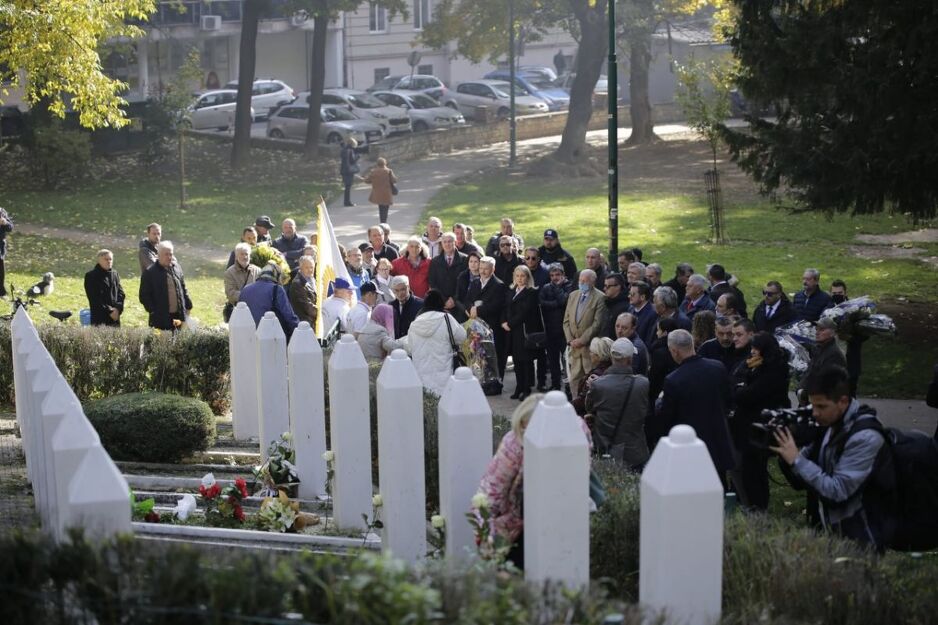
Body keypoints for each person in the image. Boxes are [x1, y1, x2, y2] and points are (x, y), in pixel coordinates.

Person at [771, 366, 893, 550]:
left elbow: (837, 492)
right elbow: (800, 480)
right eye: (813, 406)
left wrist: (796, 460)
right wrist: (786, 455)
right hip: (832, 529)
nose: (815, 413)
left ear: (843, 402)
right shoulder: (829, 423)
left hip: (862, 537)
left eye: (822, 406)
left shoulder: (865, 437)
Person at [476, 393, 592, 570]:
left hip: (561, 522)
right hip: (520, 527)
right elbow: (491, 490)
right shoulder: (514, 444)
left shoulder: (577, 432)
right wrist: (486, 533)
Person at [656, 329, 736, 484]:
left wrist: (659, 403)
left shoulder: (673, 380)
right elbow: (728, 400)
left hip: (690, 448)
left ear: (675, 351)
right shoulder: (717, 367)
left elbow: (666, 418)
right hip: (718, 441)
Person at [730, 332, 791, 511]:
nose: (753, 352)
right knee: (748, 469)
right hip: (748, 426)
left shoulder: (774, 371)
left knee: (755, 471)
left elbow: (747, 395)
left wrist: (740, 387)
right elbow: (738, 379)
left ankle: (757, 507)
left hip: (758, 428)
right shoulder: (756, 366)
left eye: (756, 348)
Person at [586, 337, 650, 470]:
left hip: (607, 449)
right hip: (635, 453)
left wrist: (595, 385)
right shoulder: (643, 384)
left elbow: (589, 408)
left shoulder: (598, 385)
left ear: (611, 357)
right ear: (630, 359)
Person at [404, 289, 467, 396]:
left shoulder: (415, 323)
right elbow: (462, 336)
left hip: (421, 375)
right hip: (445, 374)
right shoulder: (447, 319)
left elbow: (409, 348)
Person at [502, 265, 543, 401]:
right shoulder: (511, 291)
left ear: (527, 277)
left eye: (523, 276)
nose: (520, 279)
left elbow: (524, 313)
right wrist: (504, 322)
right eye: (517, 276)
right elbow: (506, 307)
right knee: (516, 360)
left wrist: (510, 323)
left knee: (526, 360)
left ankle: (526, 388)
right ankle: (519, 386)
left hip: (523, 330)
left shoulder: (531, 293)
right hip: (511, 332)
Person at [563, 269, 607, 394]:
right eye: (580, 280)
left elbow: (597, 323)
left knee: (589, 384)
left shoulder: (600, 297)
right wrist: (570, 340)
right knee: (574, 382)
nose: (581, 283)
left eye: (585, 281)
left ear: (593, 282)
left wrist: (582, 341)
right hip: (574, 350)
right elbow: (566, 321)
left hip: (589, 350)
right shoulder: (573, 295)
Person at [466, 256, 508, 377]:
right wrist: (470, 309)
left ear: (493, 269)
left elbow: (496, 305)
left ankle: (496, 382)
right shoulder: (475, 283)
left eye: (486, 269)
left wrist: (478, 310)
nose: (483, 271)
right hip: (475, 326)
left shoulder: (499, 285)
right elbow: (467, 300)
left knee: (493, 356)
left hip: (491, 326)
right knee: (479, 355)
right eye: (481, 268)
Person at [139, 241, 192, 331]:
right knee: (161, 344)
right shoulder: (150, 273)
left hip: (178, 317)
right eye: (166, 254)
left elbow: (183, 288)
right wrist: (153, 311)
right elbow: (144, 295)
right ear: (158, 255)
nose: (169, 257)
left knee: (177, 342)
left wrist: (188, 305)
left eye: (171, 254)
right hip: (160, 320)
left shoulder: (177, 268)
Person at [238, 261, 299, 339]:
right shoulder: (276, 289)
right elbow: (288, 315)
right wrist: (300, 331)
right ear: (276, 275)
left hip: (247, 336)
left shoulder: (245, 289)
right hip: (270, 337)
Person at [539, 263, 573, 391]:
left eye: (557, 275)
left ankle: (569, 387)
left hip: (564, 331)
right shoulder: (546, 287)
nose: (554, 278)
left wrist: (557, 288)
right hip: (550, 330)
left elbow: (565, 300)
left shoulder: (569, 286)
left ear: (563, 275)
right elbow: (542, 303)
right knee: (553, 361)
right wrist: (556, 304)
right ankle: (555, 385)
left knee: (566, 361)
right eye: (552, 275)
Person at [831, 279, 867, 398]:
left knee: (850, 395)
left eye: (839, 293)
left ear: (845, 293)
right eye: (834, 294)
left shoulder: (856, 310)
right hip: (832, 360)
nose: (837, 296)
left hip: (850, 359)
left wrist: (849, 337)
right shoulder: (827, 309)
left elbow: (865, 334)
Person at [798, 316, 847, 403]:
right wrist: (800, 389)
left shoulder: (834, 354)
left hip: (821, 403)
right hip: (810, 399)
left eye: (822, 330)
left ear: (833, 333)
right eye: (816, 329)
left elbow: (827, 383)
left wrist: (805, 392)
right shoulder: (818, 349)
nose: (817, 332)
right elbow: (810, 373)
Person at [572, 337, 614, 416]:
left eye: (591, 352)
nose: (590, 354)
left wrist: (568, 406)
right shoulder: (613, 369)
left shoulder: (595, 376)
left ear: (598, 356)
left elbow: (582, 401)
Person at [428, 232, 468, 314]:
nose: (447, 244)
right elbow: (432, 283)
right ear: (441, 244)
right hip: (441, 303)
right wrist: (444, 300)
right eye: (444, 242)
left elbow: (465, 282)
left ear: (455, 242)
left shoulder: (465, 259)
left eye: (450, 241)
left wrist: (454, 299)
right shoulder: (435, 261)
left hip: (459, 303)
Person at [83, 249, 125, 327]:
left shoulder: (114, 274)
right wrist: (110, 311)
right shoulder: (91, 276)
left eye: (110, 259)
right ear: (99, 260)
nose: (109, 261)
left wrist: (118, 308)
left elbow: (121, 293)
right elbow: (94, 298)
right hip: (100, 317)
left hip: (115, 317)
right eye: (106, 259)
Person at [225, 242, 261, 321]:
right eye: (241, 254)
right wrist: (249, 296)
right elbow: (230, 293)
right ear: (236, 256)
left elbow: (262, 289)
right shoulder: (229, 272)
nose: (244, 257)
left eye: (246, 254)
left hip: (255, 310)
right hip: (238, 311)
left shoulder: (258, 270)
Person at [363, 157, 397, 223]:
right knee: (386, 208)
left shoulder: (373, 172)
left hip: (378, 193)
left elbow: (367, 181)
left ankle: (382, 222)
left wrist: (365, 179)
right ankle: (384, 222)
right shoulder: (389, 171)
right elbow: (394, 180)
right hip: (387, 193)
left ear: (377, 164)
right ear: (385, 163)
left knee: (381, 208)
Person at [288, 255, 317, 326]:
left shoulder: (312, 280)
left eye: (312, 267)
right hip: (303, 324)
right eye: (307, 267)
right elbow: (308, 307)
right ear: (300, 268)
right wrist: (322, 312)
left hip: (312, 322)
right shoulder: (297, 284)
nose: (310, 270)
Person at [453, 250, 481, 322]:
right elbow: (457, 298)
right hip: (463, 312)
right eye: (471, 261)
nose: (473, 264)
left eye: (475, 262)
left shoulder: (483, 276)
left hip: (479, 312)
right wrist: (465, 310)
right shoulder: (462, 276)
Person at [629, 281, 658, 347]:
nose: (629, 296)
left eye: (632, 294)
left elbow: (649, 341)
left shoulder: (653, 314)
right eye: (629, 293)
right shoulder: (631, 309)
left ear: (642, 297)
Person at [601, 273, 630, 339]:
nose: (604, 289)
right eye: (604, 286)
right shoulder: (609, 303)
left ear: (618, 287)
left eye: (607, 286)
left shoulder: (624, 307)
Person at [340, 137, 361, 207]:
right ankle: (347, 202)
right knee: (348, 187)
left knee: (347, 187)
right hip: (349, 171)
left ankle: (346, 201)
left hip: (344, 170)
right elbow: (352, 160)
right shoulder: (350, 150)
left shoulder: (343, 149)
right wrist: (357, 156)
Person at [0, 206, 11, 297]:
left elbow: (10, 227)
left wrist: (5, 222)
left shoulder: (2, 212)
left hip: (0, 246)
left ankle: (1, 292)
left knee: (1, 271)